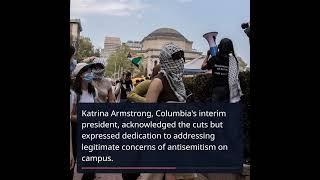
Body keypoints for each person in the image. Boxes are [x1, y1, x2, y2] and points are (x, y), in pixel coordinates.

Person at [142, 43, 188, 180]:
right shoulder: (158, 81)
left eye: (181, 57)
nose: (180, 61)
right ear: (167, 60)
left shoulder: (178, 82)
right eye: (176, 57)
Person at [71, 63, 96, 180]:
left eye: (91, 71)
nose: (91, 74)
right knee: (74, 161)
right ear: (81, 75)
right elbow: (71, 116)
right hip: (77, 131)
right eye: (88, 72)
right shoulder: (74, 93)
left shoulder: (93, 91)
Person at [201, 38, 242, 103]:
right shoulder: (233, 61)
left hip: (216, 90)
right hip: (228, 90)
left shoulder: (214, 59)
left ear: (219, 47)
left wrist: (208, 55)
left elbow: (203, 67)